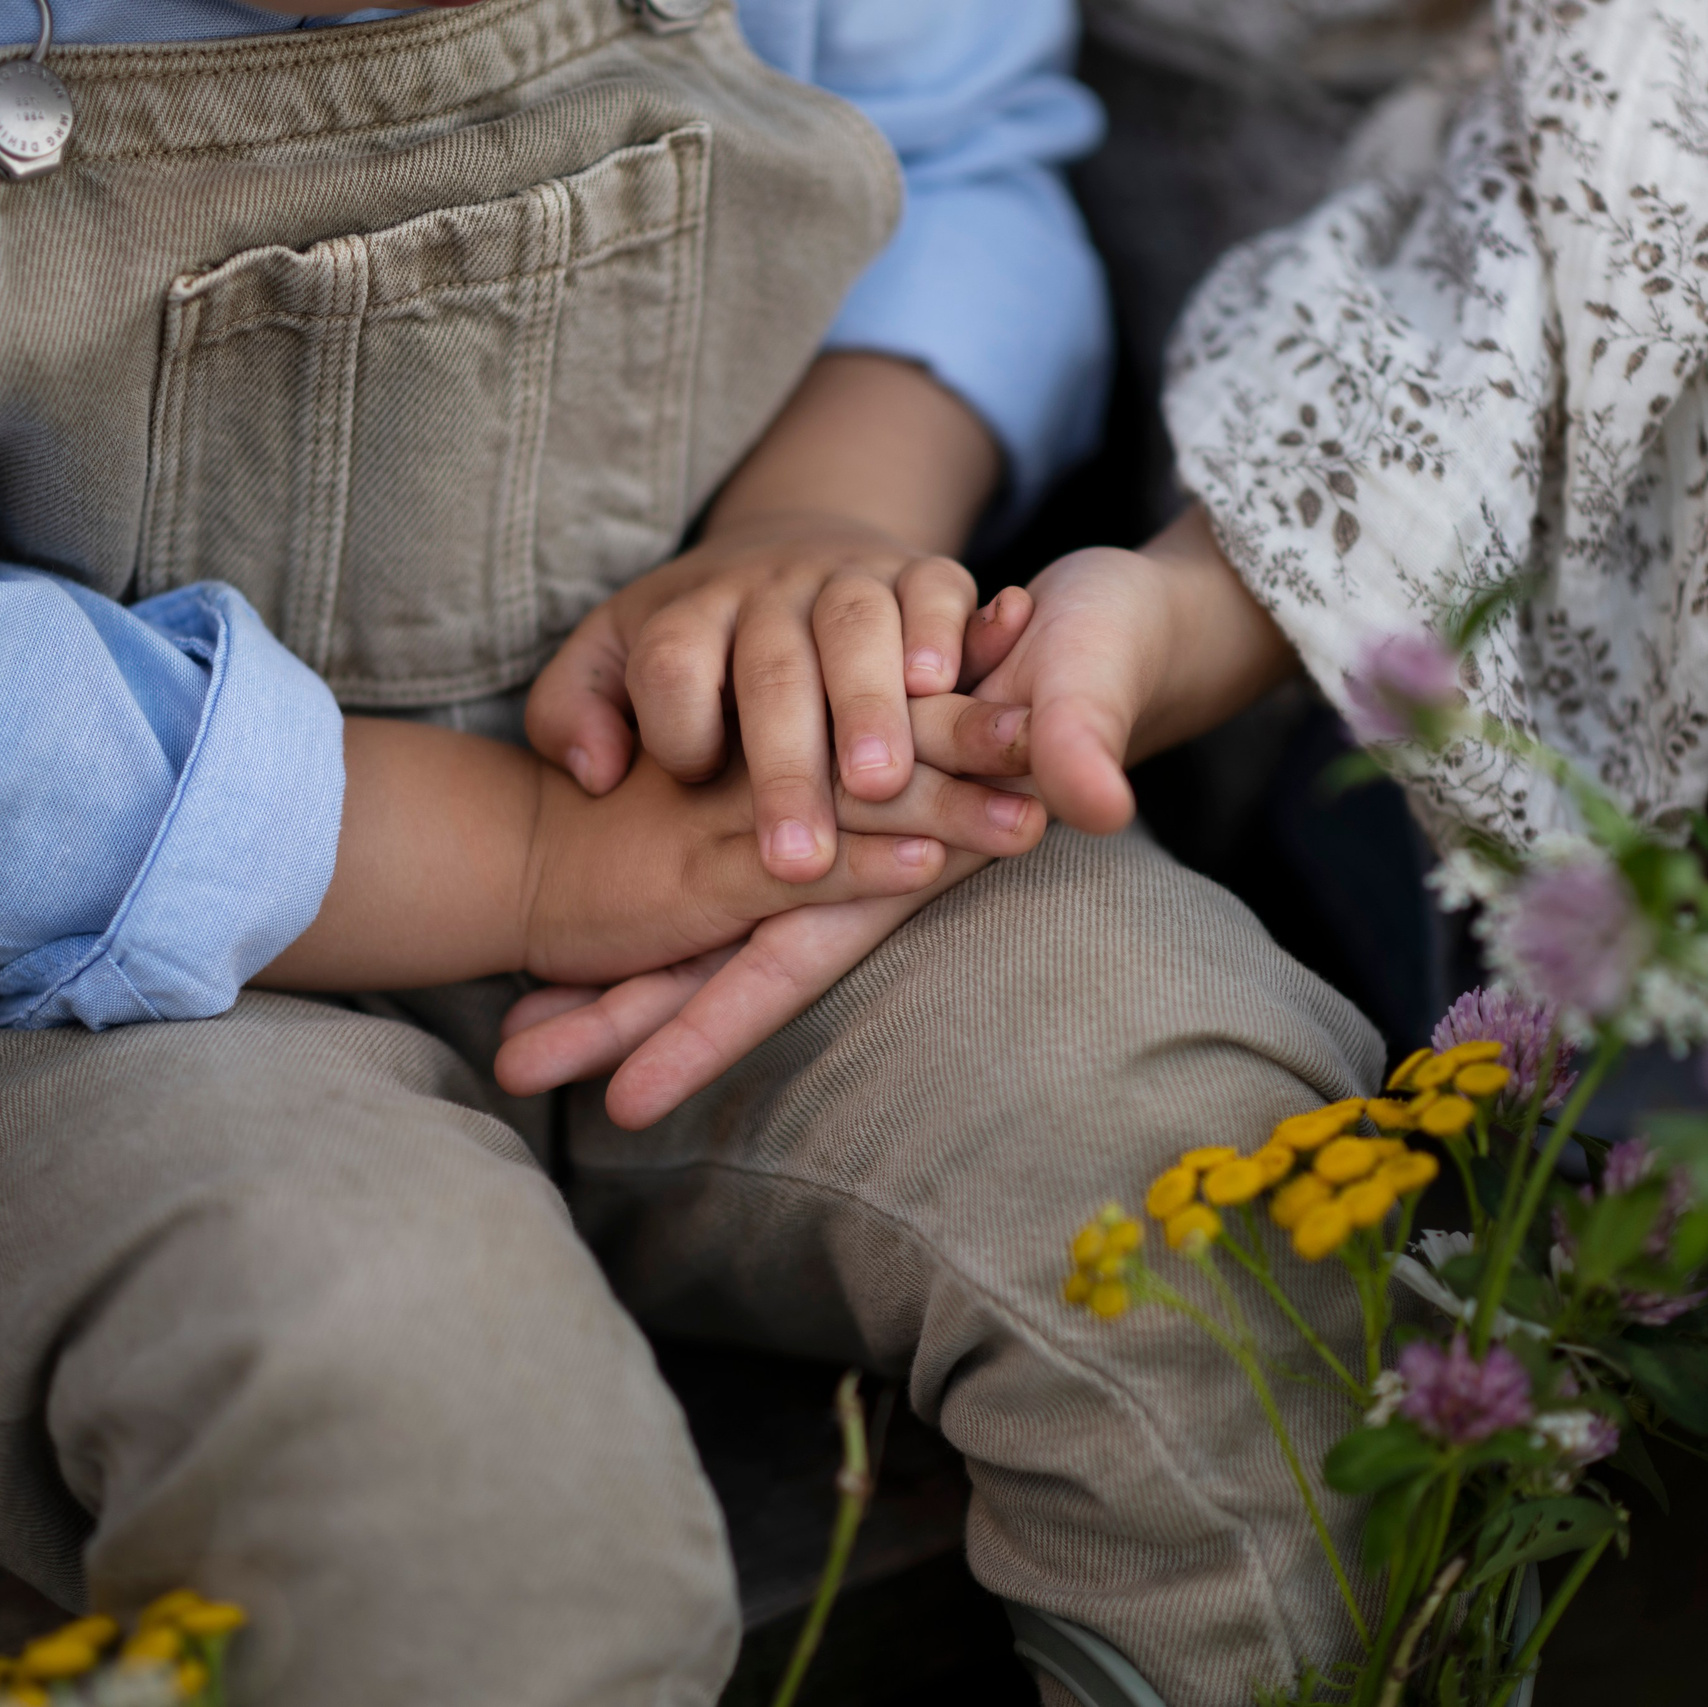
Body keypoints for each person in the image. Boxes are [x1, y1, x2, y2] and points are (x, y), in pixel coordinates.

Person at [0, 3, 1387, 1705]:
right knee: (411, 1450)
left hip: (729, 782)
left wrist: (834, 521)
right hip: (103, 964)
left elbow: (954, 155)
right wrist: (510, 850)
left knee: (1194, 1148)